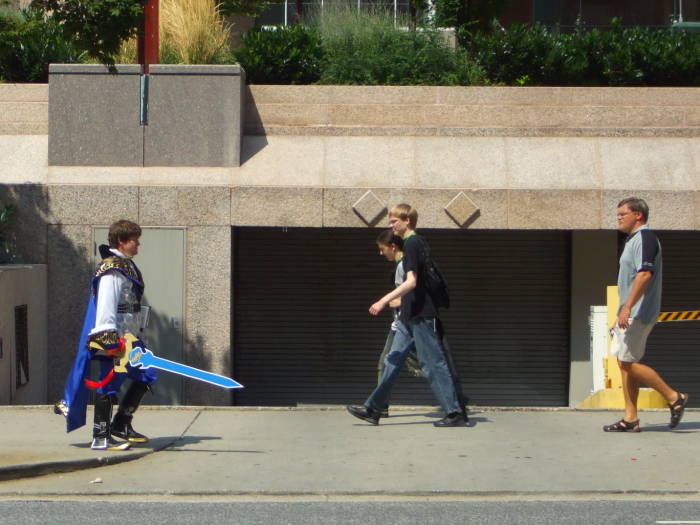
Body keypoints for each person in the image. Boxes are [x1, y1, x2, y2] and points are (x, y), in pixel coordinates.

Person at [347, 204, 467, 427]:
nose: (390, 225)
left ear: (407, 221)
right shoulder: (412, 244)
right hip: (407, 316)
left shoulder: (413, 244)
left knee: (432, 363)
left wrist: (383, 300)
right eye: (390, 221)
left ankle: (454, 412)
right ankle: (374, 409)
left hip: (421, 314)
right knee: (391, 360)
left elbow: (412, 282)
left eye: (394, 221)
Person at [54, 220, 157, 450]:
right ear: (121, 240)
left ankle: (121, 423)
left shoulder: (125, 265)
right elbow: (106, 307)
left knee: (146, 372)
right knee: (110, 381)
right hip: (115, 339)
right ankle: (101, 436)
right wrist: (110, 341)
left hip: (129, 336)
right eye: (134, 240)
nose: (138, 244)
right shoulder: (112, 269)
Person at [603, 197, 688, 433]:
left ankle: (674, 397)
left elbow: (644, 275)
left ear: (638, 215)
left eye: (623, 213)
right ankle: (630, 419)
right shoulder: (633, 241)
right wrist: (622, 309)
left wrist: (628, 307)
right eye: (618, 214)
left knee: (627, 362)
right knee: (624, 362)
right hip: (630, 311)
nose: (618, 217)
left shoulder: (645, 238)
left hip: (639, 311)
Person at [374, 230, 423, 418]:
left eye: (382, 249)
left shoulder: (403, 266)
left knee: (426, 366)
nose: (381, 253)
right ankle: (379, 405)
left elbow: (416, 293)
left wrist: (395, 302)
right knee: (388, 362)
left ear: (393, 247)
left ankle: (455, 396)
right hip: (400, 324)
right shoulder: (400, 265)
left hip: (407, 324)